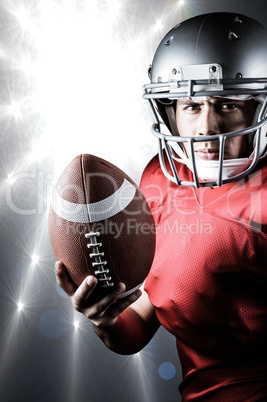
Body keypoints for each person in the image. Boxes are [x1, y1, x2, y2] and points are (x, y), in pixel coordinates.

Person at [55, 12, 267, 401]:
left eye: (226, 105)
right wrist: (106, 319)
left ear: (258, 109)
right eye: (190, 106)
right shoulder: (159, 179)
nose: (205, 127)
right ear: (169, 111)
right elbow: (146, 317)